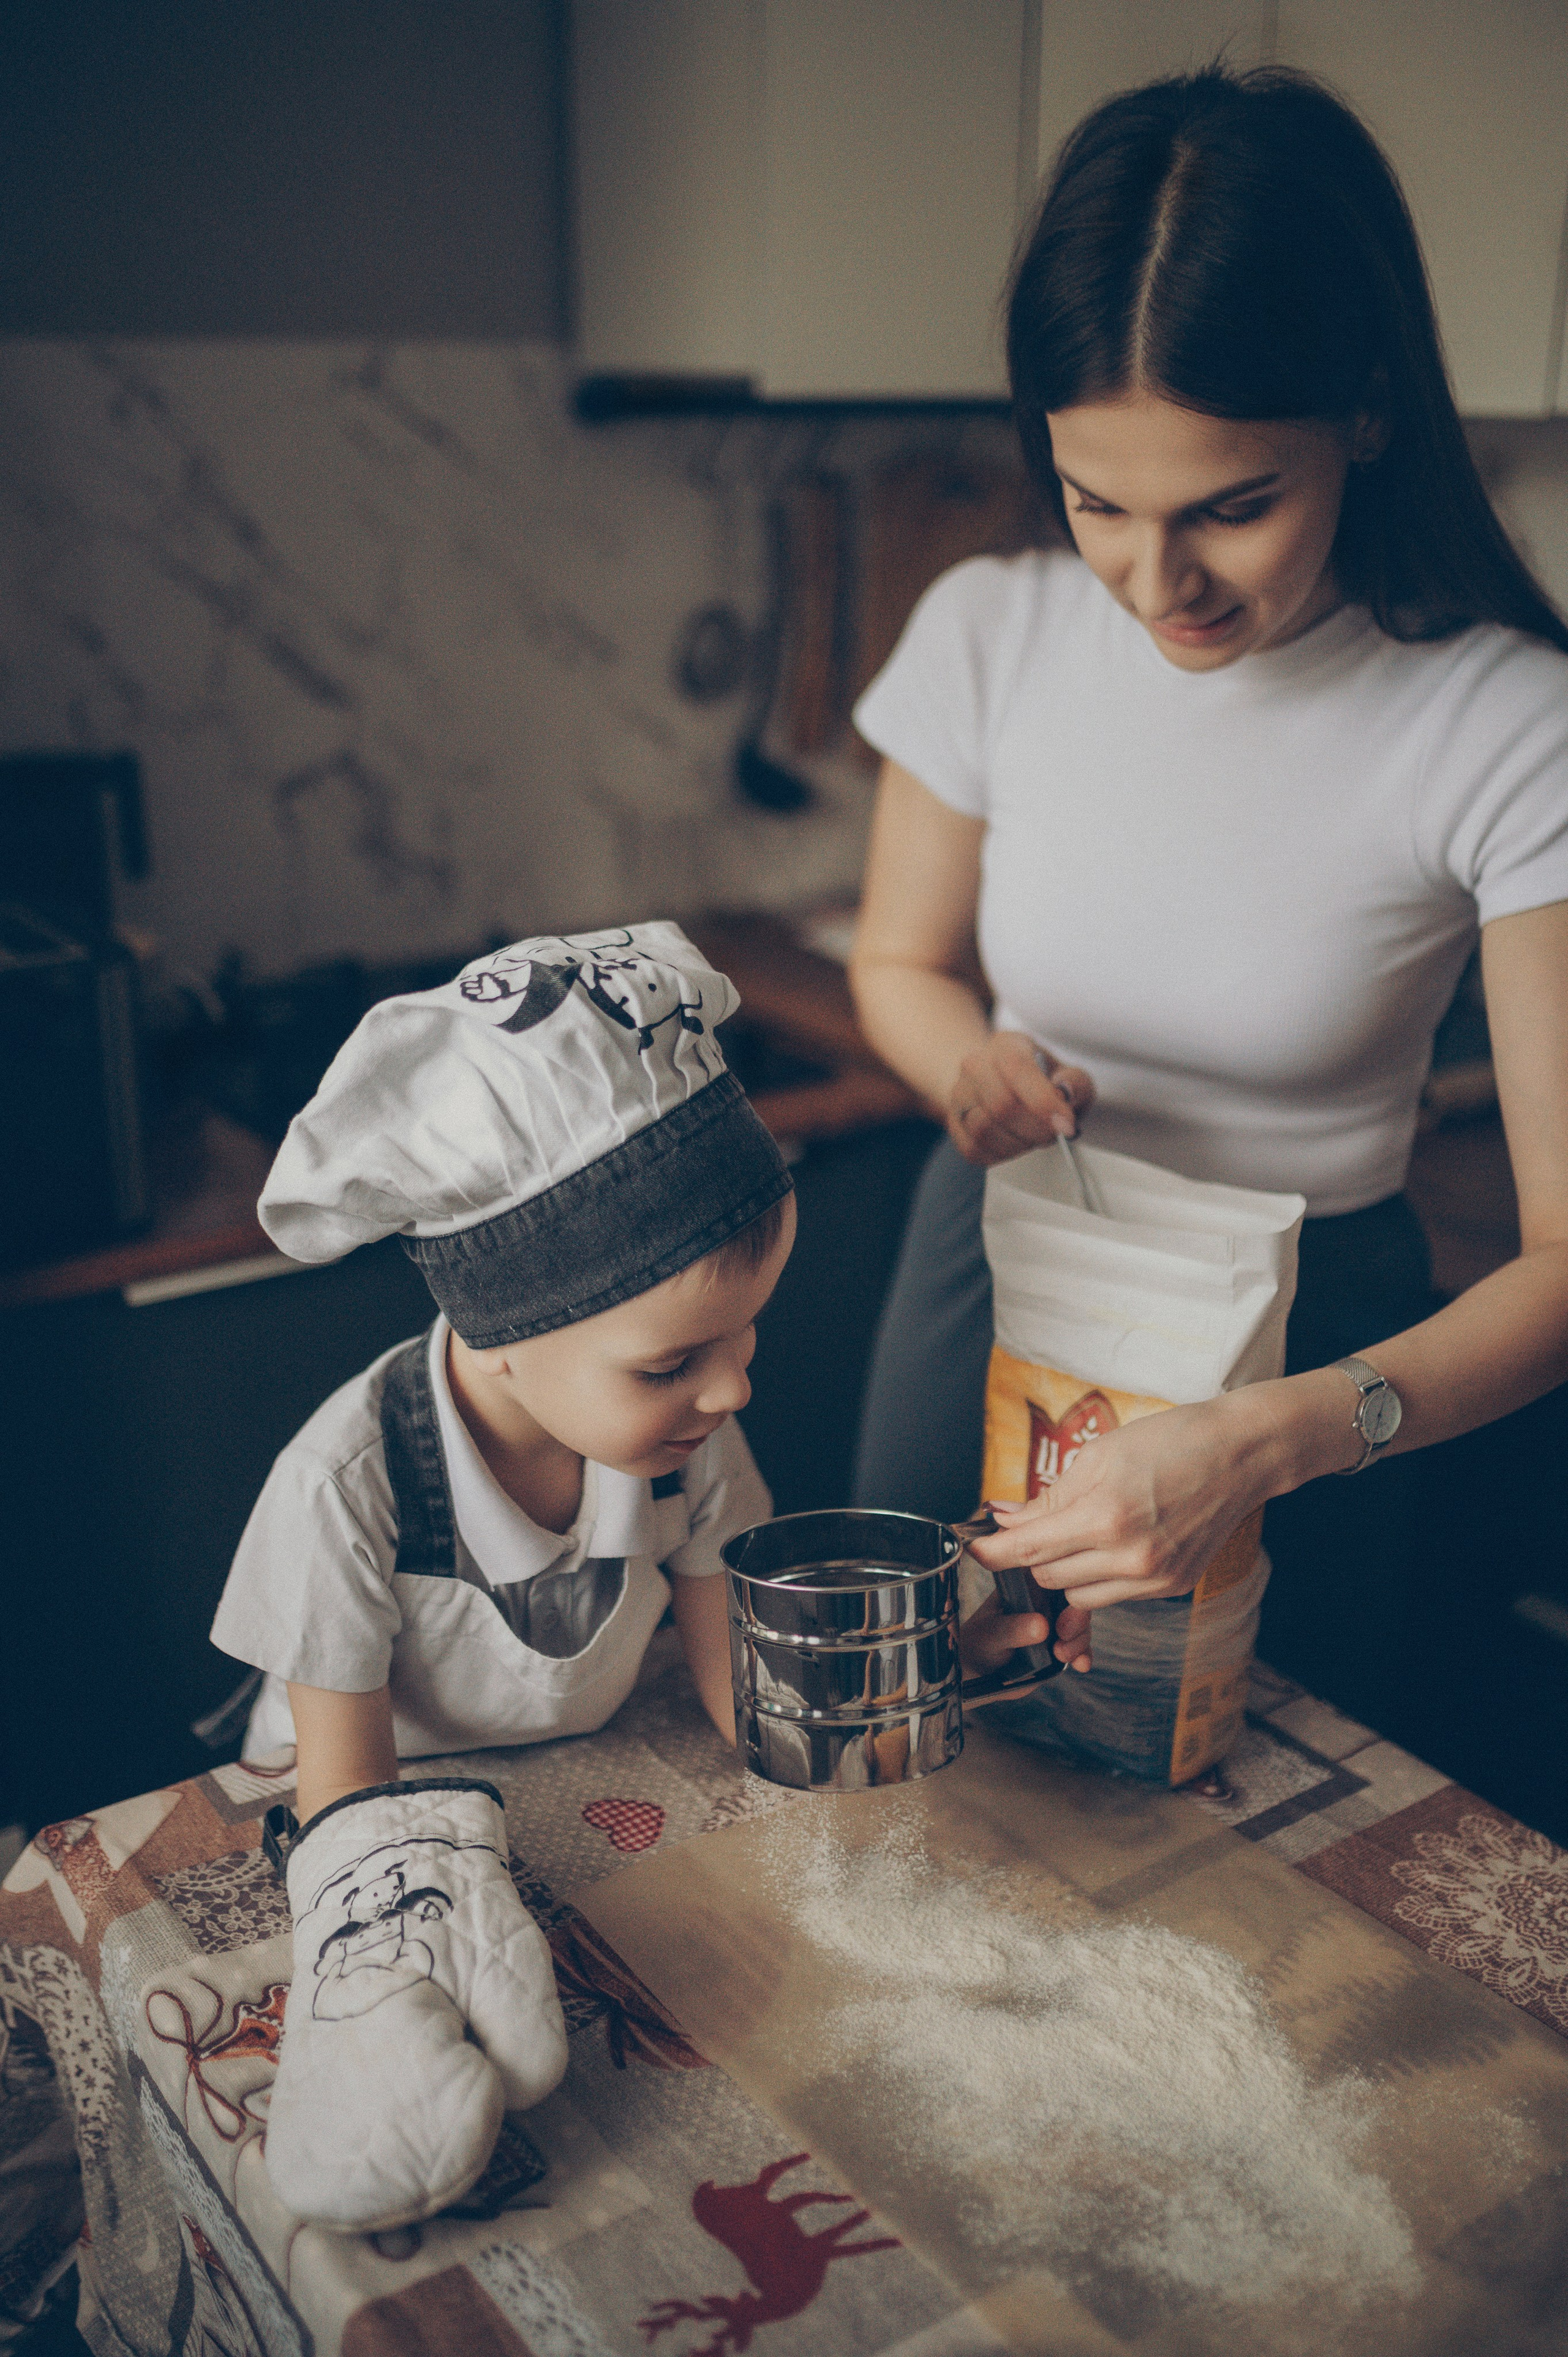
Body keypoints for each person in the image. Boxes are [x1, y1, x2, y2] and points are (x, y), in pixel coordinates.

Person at [848, 66, 1568, 1733]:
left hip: (1321, 1347)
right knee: (934, 1739)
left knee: (1276, 1812)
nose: (1157, 585)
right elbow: (898, 960)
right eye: (1098, 502)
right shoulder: (988, 629)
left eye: (1233, 508)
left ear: (1367, 415)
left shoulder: (1507, 722)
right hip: (997, 1264)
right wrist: (964, 1064)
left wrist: (1267, 1438)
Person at [209, 922, 794, 2231]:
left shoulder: (686, 1437)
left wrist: (892, 1689)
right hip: (381, 1820)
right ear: (503, 1337)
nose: (732, 1385)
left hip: (581, 1781)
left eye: (745, 1337)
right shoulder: (346, 1485)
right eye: (675, 1362)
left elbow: (732, 1683)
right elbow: (347, 1798)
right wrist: (389, 1959)